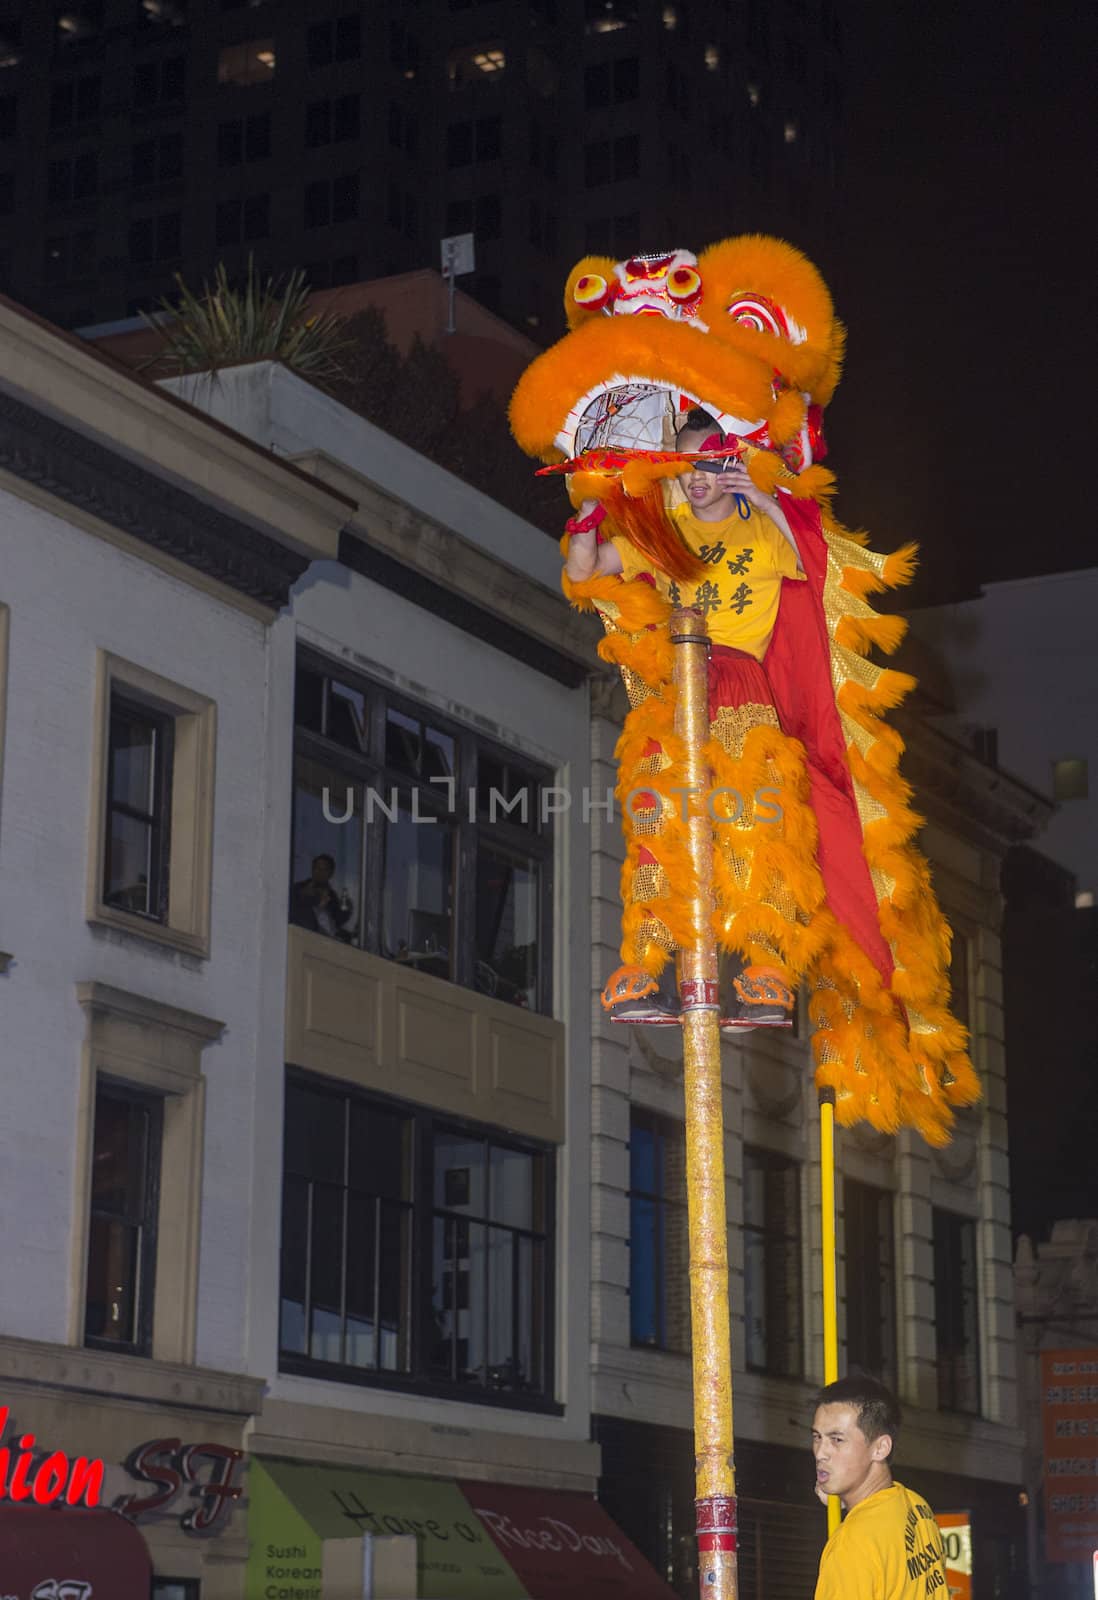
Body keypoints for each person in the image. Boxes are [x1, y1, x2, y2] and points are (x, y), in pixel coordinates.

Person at [565, 406, 806, 1029]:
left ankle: (766, 973)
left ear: (731, 461)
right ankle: (642, 968)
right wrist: (590, 515)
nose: (698, 478)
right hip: (670, 696)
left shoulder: (763, 530)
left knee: (754, 826)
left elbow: (817, 558)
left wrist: (759, 489)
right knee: (654, 821)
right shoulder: (660, 533)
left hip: (741, 688)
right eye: (687, 465)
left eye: (712, 463)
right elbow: (583, 573)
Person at [811, 1376, 948, 1600]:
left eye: (837, 1440)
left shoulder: (852, 1544)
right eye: (817, 1437)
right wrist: (847, 1503)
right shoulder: (917, 1506)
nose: (820, 1453)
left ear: (881, 1447)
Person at [290, 853, 353, 939]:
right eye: (317, 868)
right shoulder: (300, 888)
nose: (319, 872)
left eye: (324, 870)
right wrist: (311, 899)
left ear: (331, 873)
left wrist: (346, 910)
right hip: (303, 937)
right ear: (312, 870)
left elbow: (336, 921)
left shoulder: (332, 896)